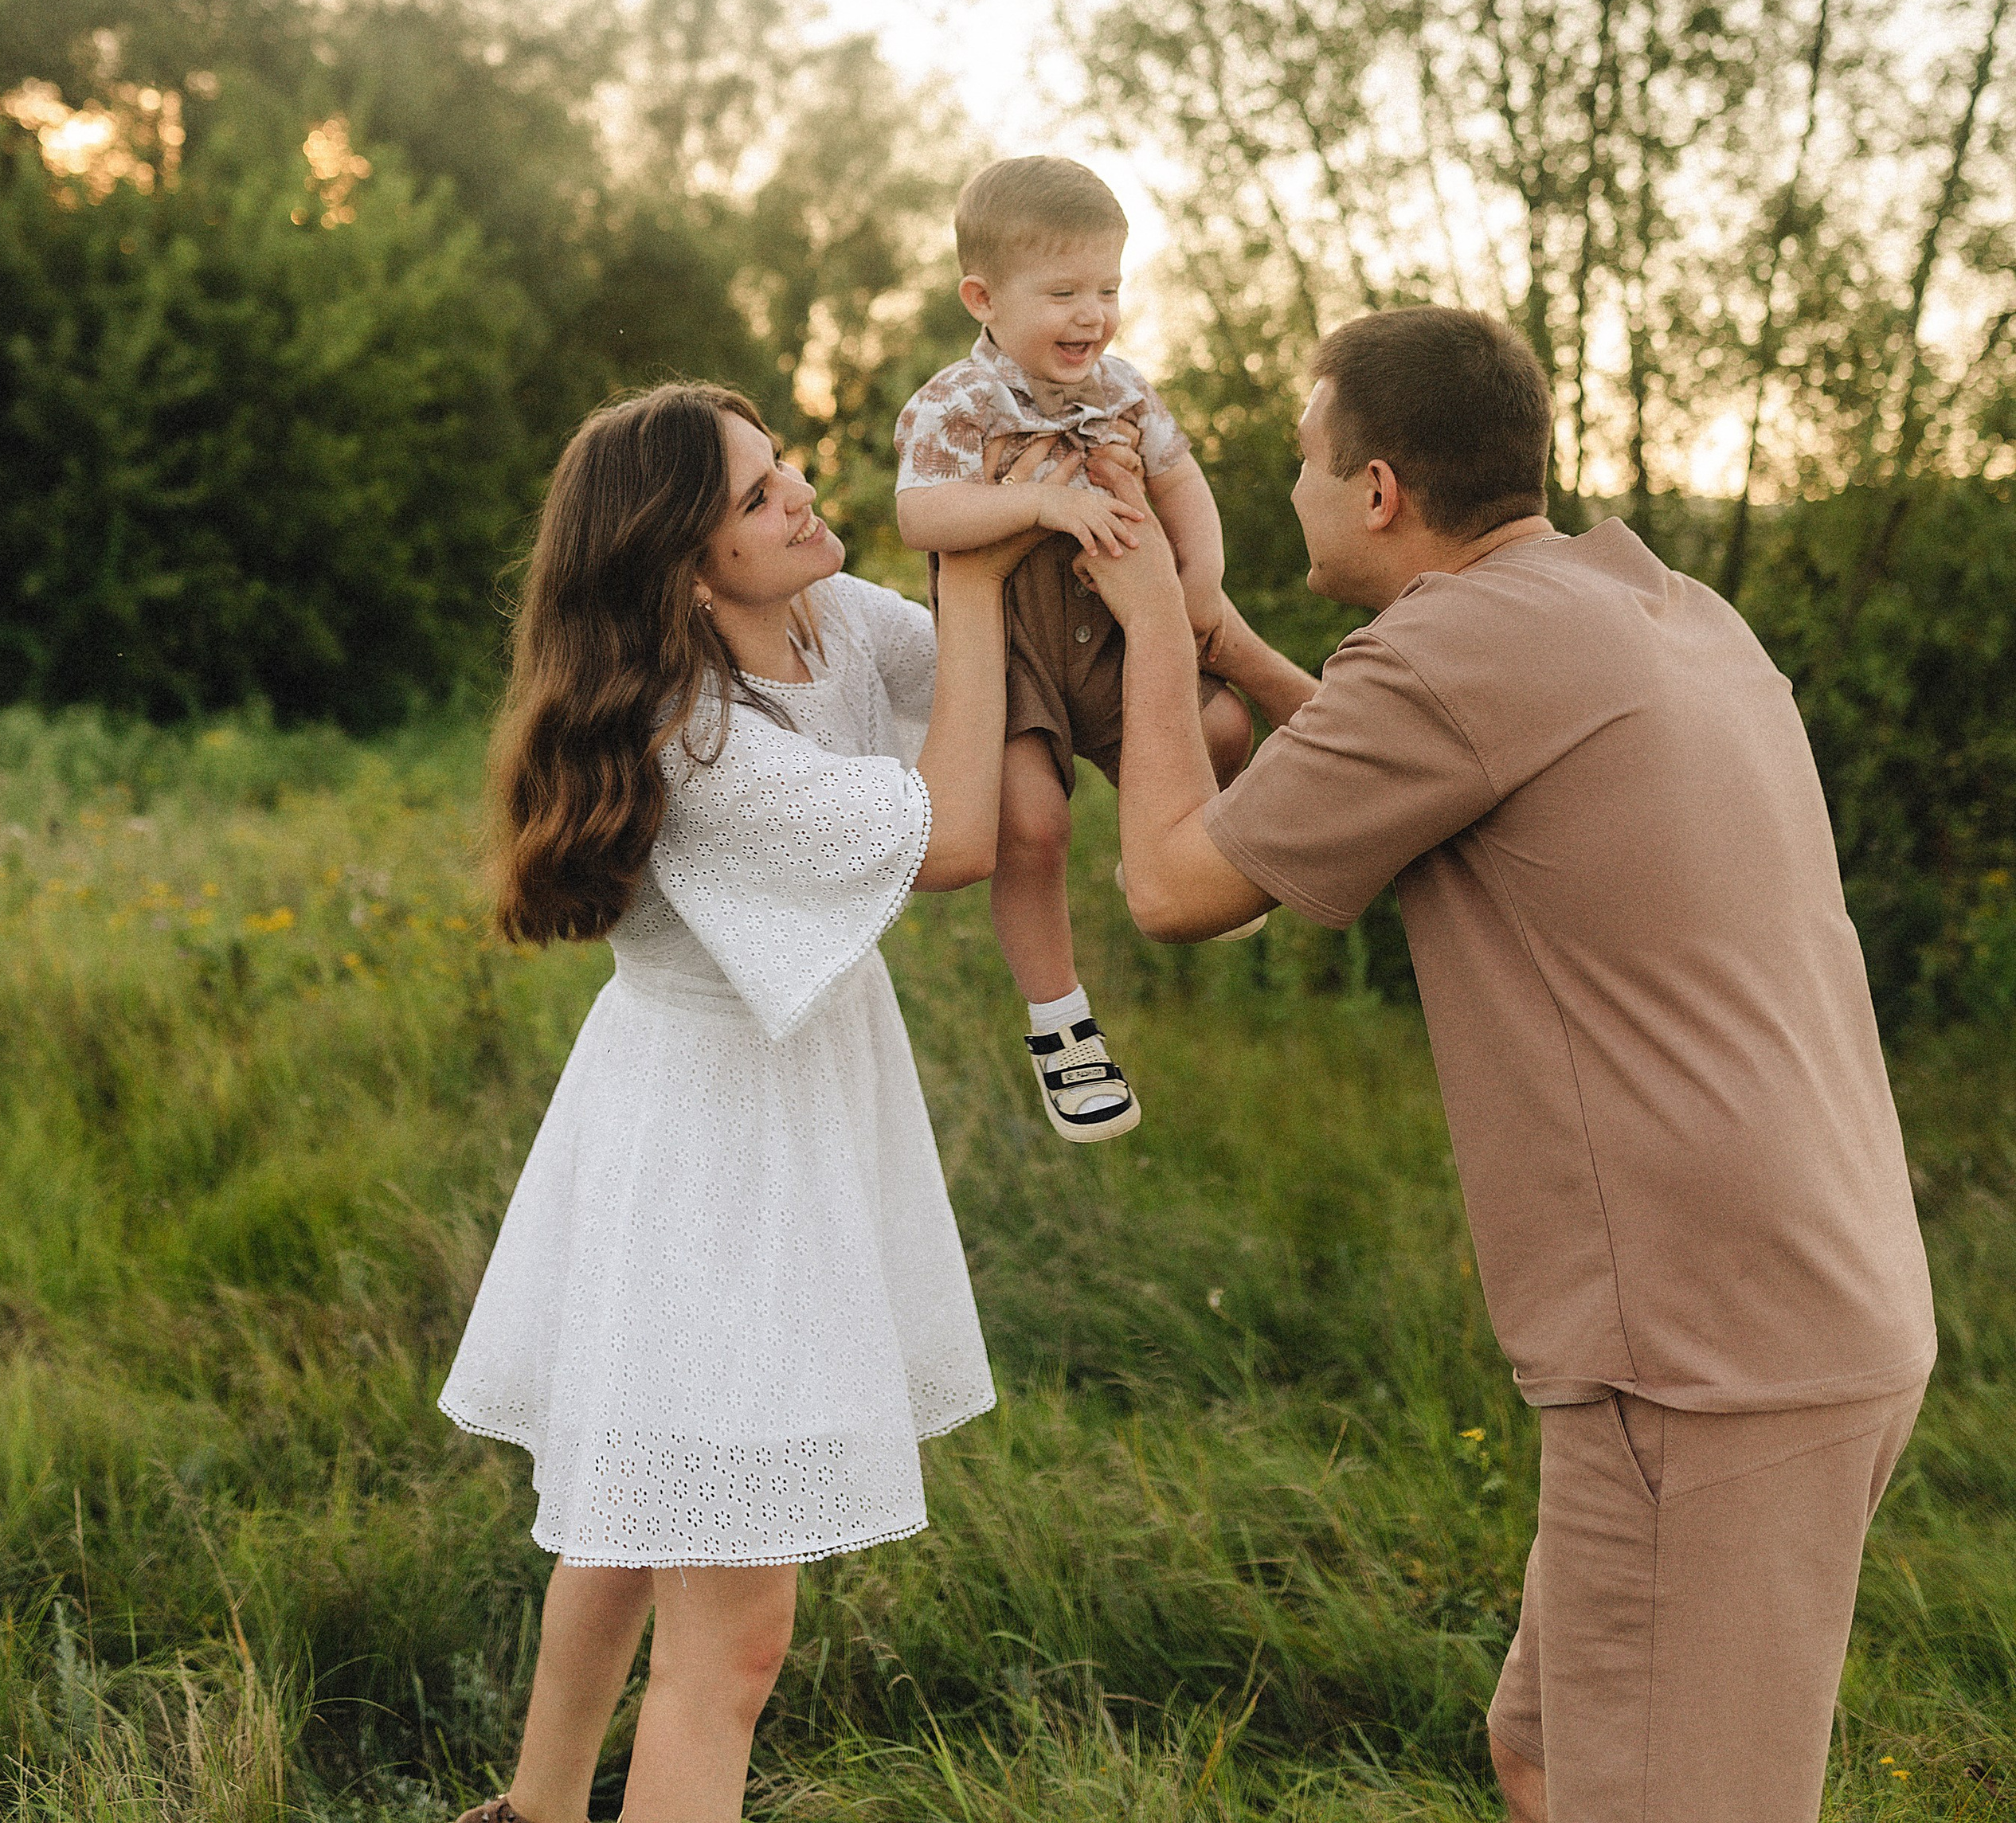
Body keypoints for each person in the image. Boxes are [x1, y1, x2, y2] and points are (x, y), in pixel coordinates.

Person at [1078, 306, 1936, 1823]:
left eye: (1304, 460)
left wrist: (1152, 621)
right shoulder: (1650, 603)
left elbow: (1172, 884)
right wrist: (1234, 649)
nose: (1290, 489)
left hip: (1699, 1358)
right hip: (1811, 1297)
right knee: (1544, 1757)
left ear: (1379, 488)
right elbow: (1421, 757)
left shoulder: (1455, 650)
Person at [441, 382, 1031, 1823]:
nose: (802, 496)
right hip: (713, 1149)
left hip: (762, 1108)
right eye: (758, 498)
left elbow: (981, 675)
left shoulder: (819, 618)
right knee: (738, 1631)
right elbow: (955, 834)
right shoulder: (694, 742)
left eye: (785, 467)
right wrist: (974, 567)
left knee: (638, 1505)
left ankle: (531, 1812)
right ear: (687, 571)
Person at [894, 155, 1255, 1142]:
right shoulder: (956, 404)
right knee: (1032, 822)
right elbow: (922, 514)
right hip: (1011, 649)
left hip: (1113, 634)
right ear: (983, 298)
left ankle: (1173, 860)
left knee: (1223, 724)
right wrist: (1039, 503)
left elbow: (1180, 481)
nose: (1092, 314)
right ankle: (1062, 1026)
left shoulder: (1123, 388)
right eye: (1063, 292)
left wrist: (1200, 578)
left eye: (1108, 288)